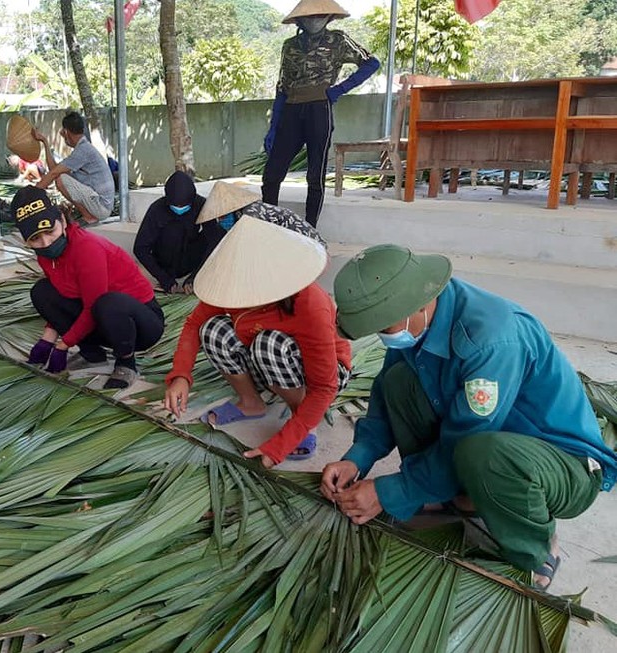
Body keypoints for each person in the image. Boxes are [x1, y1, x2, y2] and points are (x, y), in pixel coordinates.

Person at [321, 244, 617, 588]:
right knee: (399, 381)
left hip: (563, 465)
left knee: (483, 454)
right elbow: (386, 401)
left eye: (384, 327)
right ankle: (454, 494)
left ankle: (535, 552)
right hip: (491, 439)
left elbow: (466, 437)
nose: (383, 336)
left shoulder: (492, 341)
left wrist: (391, 491)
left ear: (417, 305)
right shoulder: (417, 326)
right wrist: (358, 459)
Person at [164, 215, 351, 466]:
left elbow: (324, 387)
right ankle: (251, 403)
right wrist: (180, 376)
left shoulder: (310, 304)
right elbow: (194, 323)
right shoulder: (230, 285)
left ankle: (304, 422)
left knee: (268, 344)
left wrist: (281, 445)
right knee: (213, 329)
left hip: (324, 373)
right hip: (268, 361)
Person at [11, 186, 163, 390]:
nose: (46, 242)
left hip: (141, 324)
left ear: (63, 220)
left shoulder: (86, 248)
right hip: (102, 319)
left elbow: (92, 306)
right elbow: (63, 295)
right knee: (42, 291)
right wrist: (47, 339)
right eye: (35, 239)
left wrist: (63, 345)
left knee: (108, 303)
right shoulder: (46, 255)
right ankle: (92, 354)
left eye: (50, 231)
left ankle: (126, 363)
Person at [261, 0, 380, 227]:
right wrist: (273, 127)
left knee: (315, 175)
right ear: (300, 20)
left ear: (328, 17)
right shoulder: (290, 46)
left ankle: (310, 228)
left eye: (320, 16)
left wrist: (340, 89)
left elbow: (371, 63)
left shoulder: (338, 40)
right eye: (309, 17)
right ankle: (270, 224)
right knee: (272, 174)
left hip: (319, 109)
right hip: (291, 110)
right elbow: (281, 88)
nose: (314, 20)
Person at [133, 171, 211, 294]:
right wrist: (163, 278)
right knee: (173, 232)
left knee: (216, 235)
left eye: (184, 205)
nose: (179, 208)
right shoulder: (157, 209)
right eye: (175, 205)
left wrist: (194, 277)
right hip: (165, 262)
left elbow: (214, 241)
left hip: (191, 260)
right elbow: (140, 248)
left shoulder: (201, 205)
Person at [32, 112, 115, 224]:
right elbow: (54, 169)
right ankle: (88, 215)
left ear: (66, 132)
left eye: (63, 132)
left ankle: (88, 217)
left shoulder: (83, 151)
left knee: (61, 179)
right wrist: (45, 142)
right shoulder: (83, 148)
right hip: (101, 205)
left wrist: (32, 195)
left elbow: (54, 174)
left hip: (101, 207)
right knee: (60, 177)